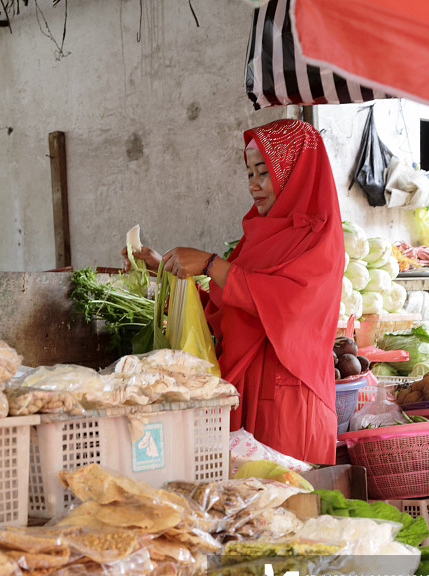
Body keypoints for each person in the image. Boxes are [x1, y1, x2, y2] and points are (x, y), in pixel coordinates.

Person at [122, 119, 345, 464]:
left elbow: (289, 305)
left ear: (293, 172)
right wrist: (163, 271)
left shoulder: (317, 238)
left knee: (289, 505)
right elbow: (226, 309)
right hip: (242, 390)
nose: (254, 185)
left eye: (264, 172)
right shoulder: (258, 234)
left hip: (288, 401)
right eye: (249, 174)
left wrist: (211, 264)